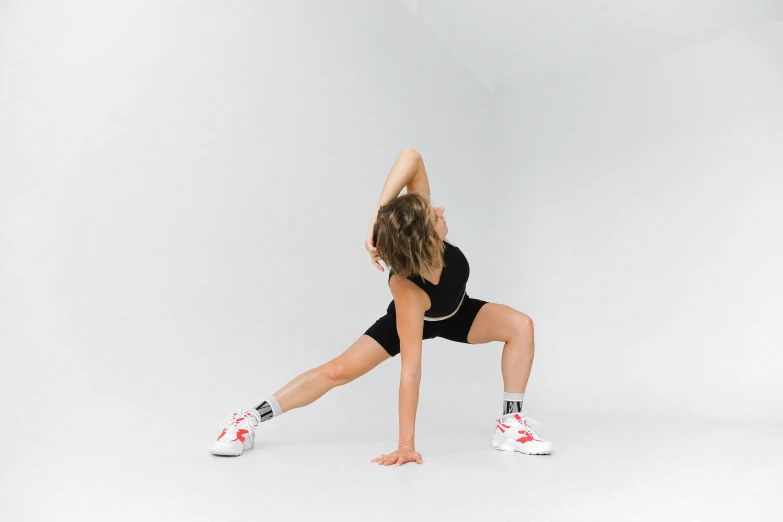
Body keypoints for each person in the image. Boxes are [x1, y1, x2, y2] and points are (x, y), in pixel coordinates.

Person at [211, 148, 555, 464]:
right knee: (337, 371)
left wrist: (377, 219)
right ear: (424, 238)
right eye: (435, 215)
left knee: (520, 326)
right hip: (410, 321)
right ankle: (248, 418)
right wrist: (407, 445)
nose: (441, 211)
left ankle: (510, 425)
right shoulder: (407, 289)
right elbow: (411, 371)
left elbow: (411, 157)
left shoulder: (415, 227)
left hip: (457, 313)